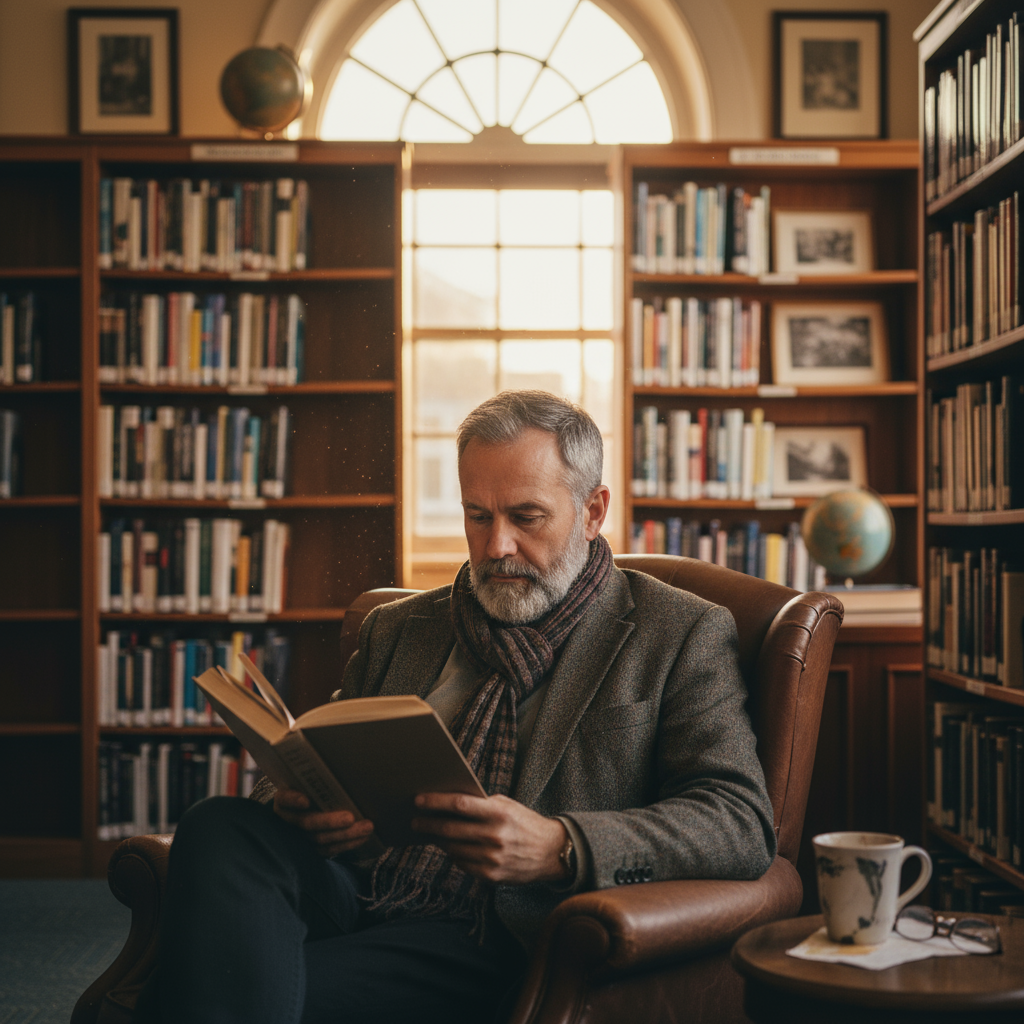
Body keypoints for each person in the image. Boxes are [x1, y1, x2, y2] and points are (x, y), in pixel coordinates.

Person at [140, 390, 774, 1024]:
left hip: (495, 930)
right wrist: (298, 806)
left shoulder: (678, 632)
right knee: (219, 825)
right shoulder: (400, 628)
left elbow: (739, 820)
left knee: (192, 995)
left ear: (593, 511)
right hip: (359, 882)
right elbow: (320, 758)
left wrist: (560, 845)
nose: (496, 546)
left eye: (526, 517)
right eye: (477, 515)